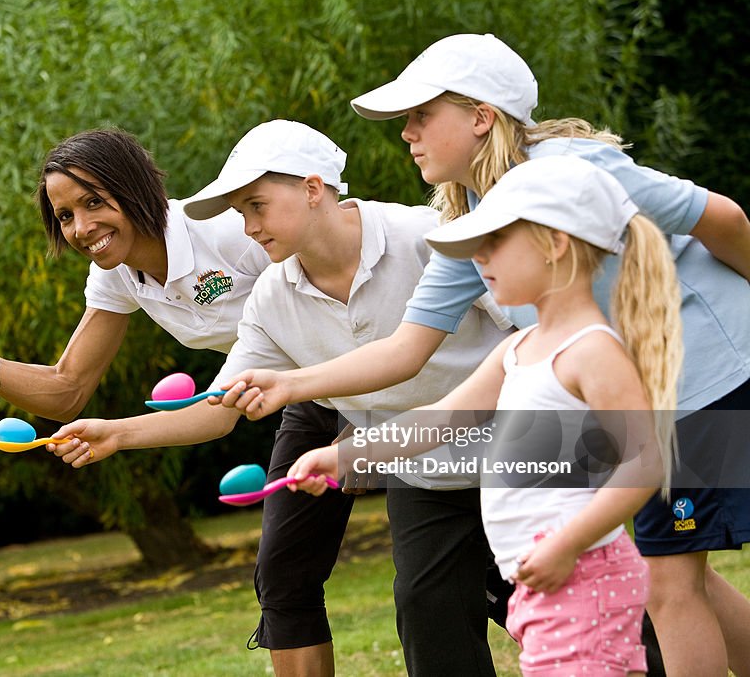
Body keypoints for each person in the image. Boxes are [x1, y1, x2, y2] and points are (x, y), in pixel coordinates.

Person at [219, 33, 750, 676]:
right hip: (634, 388)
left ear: (480, 116)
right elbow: (407, 351)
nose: (407, 134)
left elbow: (723, 219)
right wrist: (309, 411)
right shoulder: (478, 225)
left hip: (705, 371)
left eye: (422, 116)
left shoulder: (572, 174)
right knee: (679, 572)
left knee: (669, 582)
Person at [46, 119, 511, 676]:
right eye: (241, 213)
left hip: (518, 445)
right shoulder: (269, 297)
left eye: (256, 207)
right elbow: (220, 409)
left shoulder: (425, 235)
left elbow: (532, 334)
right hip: (420, 465)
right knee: (425, 608)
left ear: (313, 190)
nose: (246, 228)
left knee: (556, 597)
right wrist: (116, 433)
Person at [288, 155, 680, 676]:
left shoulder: (591, 351)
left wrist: (566, 546)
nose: (479, 257)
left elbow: (644, 463)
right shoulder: (519, 348)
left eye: (495, 243)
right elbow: (442, 417)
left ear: (555, 244)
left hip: (583, 573)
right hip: (545, 576)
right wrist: (347, 453)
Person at [0, 127, 271, 423]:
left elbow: (328, 251)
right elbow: (67, 390)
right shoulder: (115, 275)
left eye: (93, 202)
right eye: (65, 216)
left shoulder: (227, 228)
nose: (81, 229)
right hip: (301, 399)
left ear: (133, 189)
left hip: (327, 372)